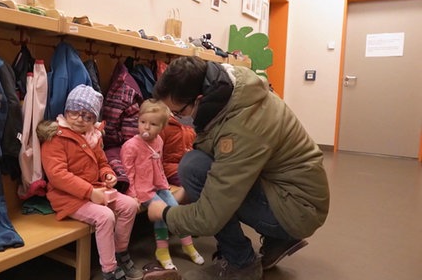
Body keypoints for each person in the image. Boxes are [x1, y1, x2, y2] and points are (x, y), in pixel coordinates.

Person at [146, 57, 330, 280]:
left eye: (178, 112)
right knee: (196, 166)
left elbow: (210, 216)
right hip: (297, 194)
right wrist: (186, 192)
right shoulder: (235, 90)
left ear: (200, 99)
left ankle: (241, 263)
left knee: (193, 167)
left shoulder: (241, 127)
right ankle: (280, 240)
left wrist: (165, 213)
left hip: (298, 208)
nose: (176, 118)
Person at [37, 84, 143, 280]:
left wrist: (107, 174)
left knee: (129, 205)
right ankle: (109, 270)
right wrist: (89, 192)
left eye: (87, 116)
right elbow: (57, 175)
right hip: (67, 197)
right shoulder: (55, 138)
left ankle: (120, 252)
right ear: (66, 111)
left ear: (94, 119)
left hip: (94, 190)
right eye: (75, 112)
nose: (80, 119)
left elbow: (103, 162)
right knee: (105, 217)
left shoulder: (91, 136)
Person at [121, 99, 204, 271]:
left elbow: (158, 165)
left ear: (162, 127)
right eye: (142, 122)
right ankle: (162, 250)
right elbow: (128, 172)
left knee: (174, 210)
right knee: (160, 214)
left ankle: (187, 245)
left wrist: (164, 185)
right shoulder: (131, 146)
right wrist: (133, 195)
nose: (146, 127)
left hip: (159, 185)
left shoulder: (158, 141)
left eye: (153, 124)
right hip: (142, 190)